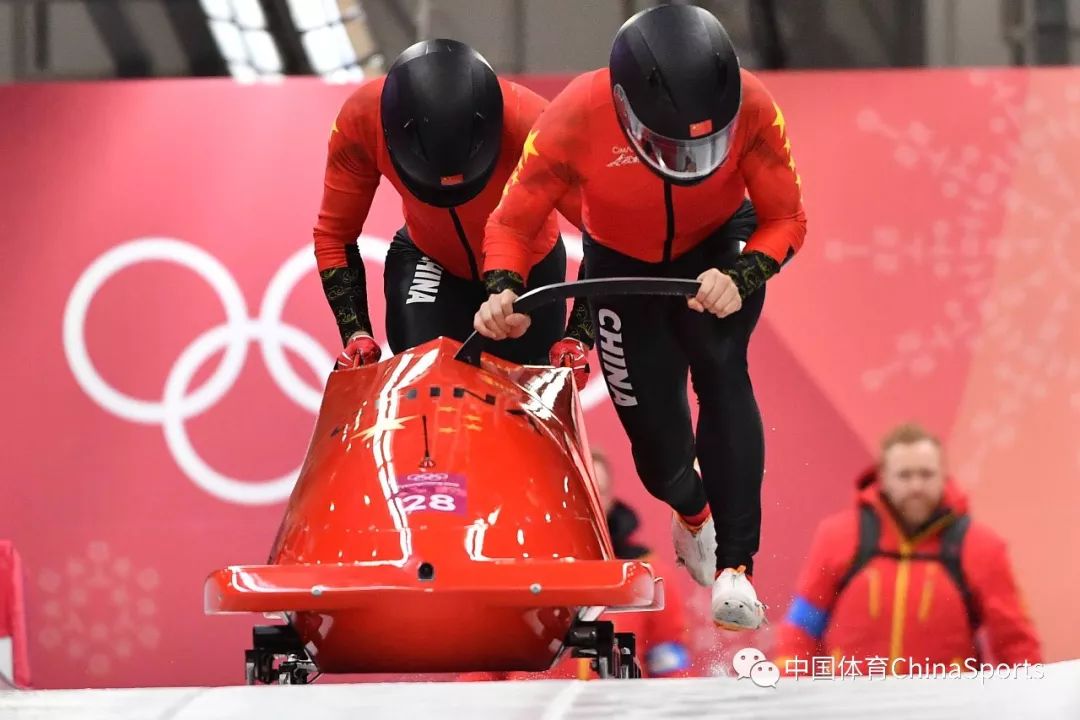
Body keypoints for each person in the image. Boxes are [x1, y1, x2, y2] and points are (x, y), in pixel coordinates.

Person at [473, 4, 807, 630]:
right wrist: (501, 287)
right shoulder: (573, 116)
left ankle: (738, 567)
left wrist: (744, 276)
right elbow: (512, 222)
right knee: (658, 456)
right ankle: (693, 512)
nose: (690, 161)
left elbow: (787, 219)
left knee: (721, 363)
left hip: (718, 249)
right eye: (671, 146)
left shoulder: (757, 108)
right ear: (626, 110)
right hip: (619, 264)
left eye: (708, 146)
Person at [313, 38, 590, 375]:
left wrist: (578, 337)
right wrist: (355, 332)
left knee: (523, 401)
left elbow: (606, 235)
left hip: (530, 270)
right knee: (423, 380)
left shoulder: (539, 125)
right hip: (429, 260)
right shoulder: (360, 120)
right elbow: (335, 234)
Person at [773, 423, 1043, 675]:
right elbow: (801, 629)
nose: (916, 486)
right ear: (883, 478)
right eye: (904, 475)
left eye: (926, 474)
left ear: (943, 476)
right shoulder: (837, 537)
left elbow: (1015, 643)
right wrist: (791, 693)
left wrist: (1032, 702)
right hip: (850, 706)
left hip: (946, 708)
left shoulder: (982, 547)